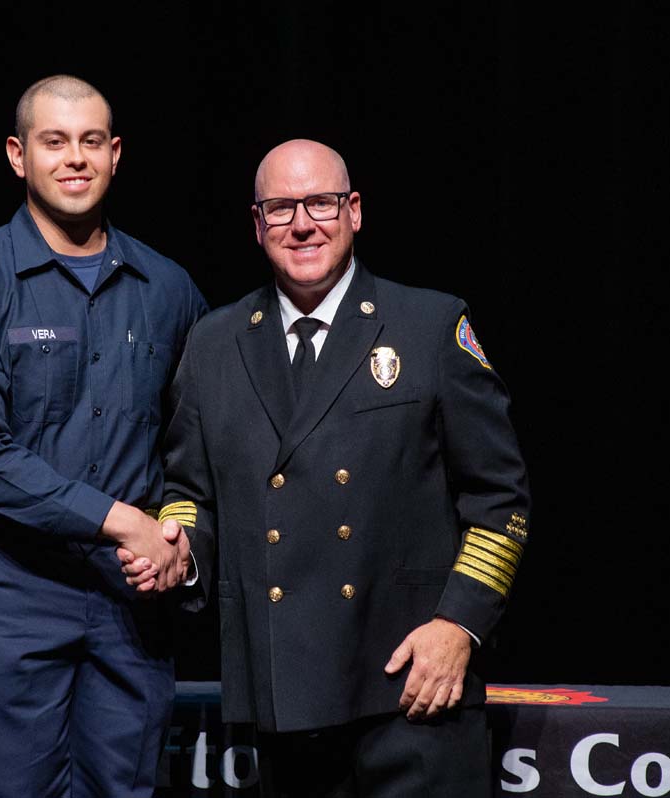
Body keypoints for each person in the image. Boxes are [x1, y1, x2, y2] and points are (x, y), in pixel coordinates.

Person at [124, 138, 531, 796]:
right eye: (282, 208)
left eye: (321, 202)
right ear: (258, 225)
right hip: (284, 701)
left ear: (355, 211)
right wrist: (178, 552)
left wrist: (459, 625)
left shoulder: (429, 325)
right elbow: (188, 493)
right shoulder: (214, 345)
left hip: (413, 690)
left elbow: (501, 501)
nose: (303, 222)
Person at [0, 75, 207, 797]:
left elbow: (196, 449)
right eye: (54, 142)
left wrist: (178, 539)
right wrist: (121, 522)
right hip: (10, 590)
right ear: (18, 156)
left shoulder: (168, 290)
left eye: (91, 142)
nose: (75, 158)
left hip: (130, 602)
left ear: (114, 155)